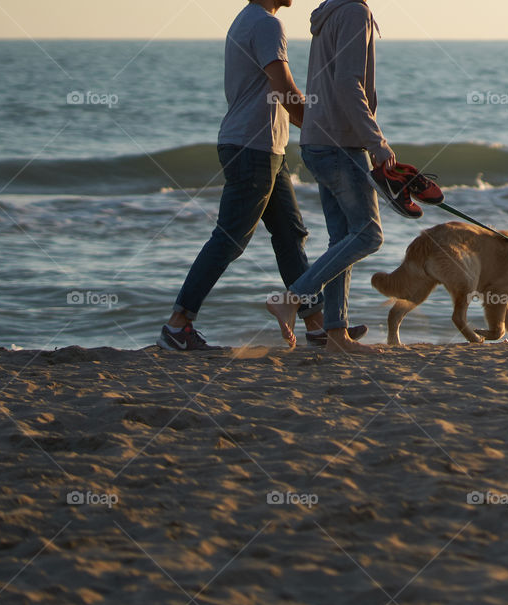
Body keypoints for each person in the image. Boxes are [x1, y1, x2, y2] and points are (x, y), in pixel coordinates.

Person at [157, 0, 366, 351]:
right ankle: (178, 325)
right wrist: (321, 126)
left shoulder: (247, 19)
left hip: (267, 147)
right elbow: (282, 85)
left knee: (289, 234)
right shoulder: (268, 25)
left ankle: (315, 324)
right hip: (252, 147)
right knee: (230, 238)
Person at [266, 0, 398, 354]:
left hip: (316, 140)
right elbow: (347, 84)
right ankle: (292, 298)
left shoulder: (330, 13)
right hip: (340, 143)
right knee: (369, 235)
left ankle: (337, 333)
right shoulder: (355, 12)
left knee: (342, 237)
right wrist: (377, 142)